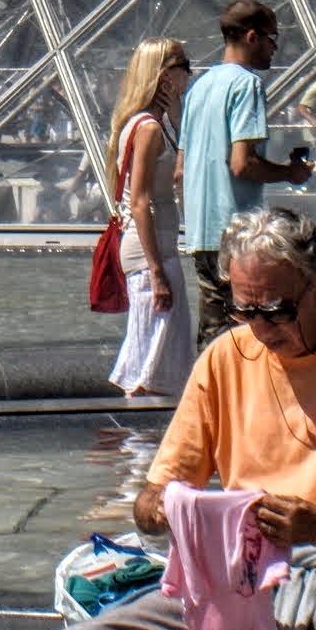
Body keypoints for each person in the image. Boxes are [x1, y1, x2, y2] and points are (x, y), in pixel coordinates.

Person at [39, 207, 316, 630]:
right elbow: (151, 502)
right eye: (244, 311)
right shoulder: (224, 357)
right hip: (235, 587)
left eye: (275, 310)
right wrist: (168, 510)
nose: (260, 329)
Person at [177, 0, 315, 349]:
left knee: (213, 337)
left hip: (201, 232)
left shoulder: (198, 88)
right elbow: (242, 164)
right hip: (238, 232)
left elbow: (180, 170)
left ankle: (207, 385)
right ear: (252, 37)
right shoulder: (246, 86)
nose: (274, 48)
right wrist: (290, 173)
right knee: (250, 334)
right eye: (272, 38)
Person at [104, 38, 194, 397]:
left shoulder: (145, 123)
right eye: (184, 66)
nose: (190, 73)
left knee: (154, 352)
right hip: (150, 252)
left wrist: (178, 115)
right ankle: (139, 429)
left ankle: (141, 428)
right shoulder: (149, 129)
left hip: (151, 249)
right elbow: (140, 201)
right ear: (164, 75)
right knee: (152, 363)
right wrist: (157, 272)